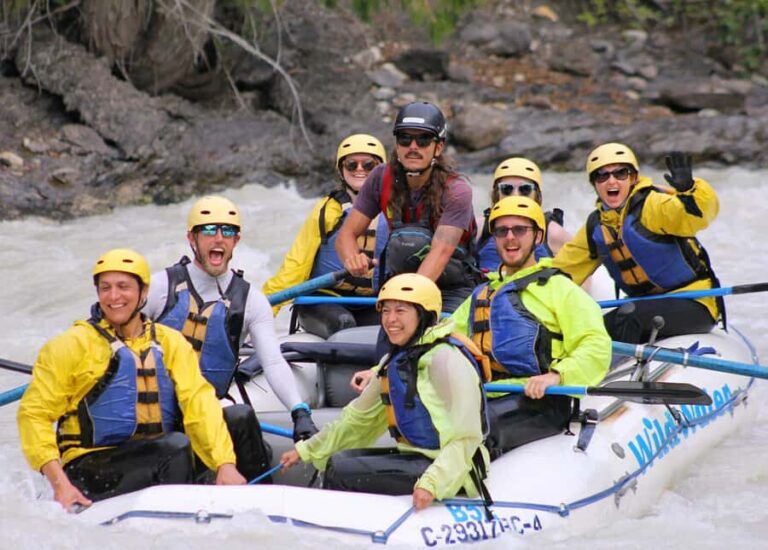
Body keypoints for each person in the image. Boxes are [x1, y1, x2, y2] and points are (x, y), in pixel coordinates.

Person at [18, 249, 247, 510]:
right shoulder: (71, 345)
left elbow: (199, 403)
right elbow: (33, 415)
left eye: (123, 287)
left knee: (239, 419)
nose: (114, 297)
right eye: (105, 288)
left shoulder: (169, 341)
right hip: (90, 467)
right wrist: (60, 485)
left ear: (143, 292)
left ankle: (252, 505)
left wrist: (224, 463)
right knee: (174, 446)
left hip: (155, 454)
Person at [280, 273, 491, 512]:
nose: (391, 320)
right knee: (338, 462)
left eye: (401, 311)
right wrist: (305, 450)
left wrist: (432, 484)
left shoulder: (445, 360)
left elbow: (467, 437)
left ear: (424, 314)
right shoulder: (394, 362)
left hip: (457, 470)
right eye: (385, 311)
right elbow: (356, 421)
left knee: (342, 470)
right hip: (416, 458)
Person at [144, 195, 318, 443]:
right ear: (191, 238)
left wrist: (299, 411)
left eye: (227, 231)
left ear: (236, 240)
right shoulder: (160, 287)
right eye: (208, 230)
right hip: (154, 408)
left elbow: (273, 362)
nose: (218, 238)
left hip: (209, 408)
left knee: (242, 418)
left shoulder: (251, 301)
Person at [452, 196, 611, 458]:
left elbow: (596, 344)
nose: (510, 238)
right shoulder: (482, 293)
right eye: (502, 231)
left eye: (520, 230)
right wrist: (382, 370)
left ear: (538, 237)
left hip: (541, 400)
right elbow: (439, 337)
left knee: (474, 429)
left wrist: (556, 376)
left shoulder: (560, 289)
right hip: (488, 394)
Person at [552, 143, 721, 343]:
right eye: (602, 176)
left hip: (695, 303)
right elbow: (563, 271)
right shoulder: (596, 226)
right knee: (589, 328)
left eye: (621, 173)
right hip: (646, 306)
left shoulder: (653, 205)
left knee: (627, 317)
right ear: (594, 184)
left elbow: (697, 217)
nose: (611, 181)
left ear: (633, 178)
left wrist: (691, 190)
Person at [335, 101, 480, 314]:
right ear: (397, 144)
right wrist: (351, 258)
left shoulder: (457, 190)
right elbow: (346, 236)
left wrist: (408, 303)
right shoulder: (379, 179)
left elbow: (440, 252)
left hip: (451, 289)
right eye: (405, 138)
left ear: (438, 147)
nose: (413, 147)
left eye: (423, 140)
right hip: (399, 286)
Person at [263, 134, 389, 338]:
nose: (359, 170)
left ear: (381, 169)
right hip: (324, 300)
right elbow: (296, 265)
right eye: (351, 164)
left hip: (372, 301)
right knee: (344, 324)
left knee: (390, 330)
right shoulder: (327, 210)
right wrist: (267, 308)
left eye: (368, 165)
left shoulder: (394, 210)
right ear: (341, 170)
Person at [476, 157, 572, 272]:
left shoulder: (554, 233)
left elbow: (580, 273)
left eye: (525, 189)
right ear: (496, 194)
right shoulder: (480, 228)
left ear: (537, 195)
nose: (515, 195)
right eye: (506, 189)